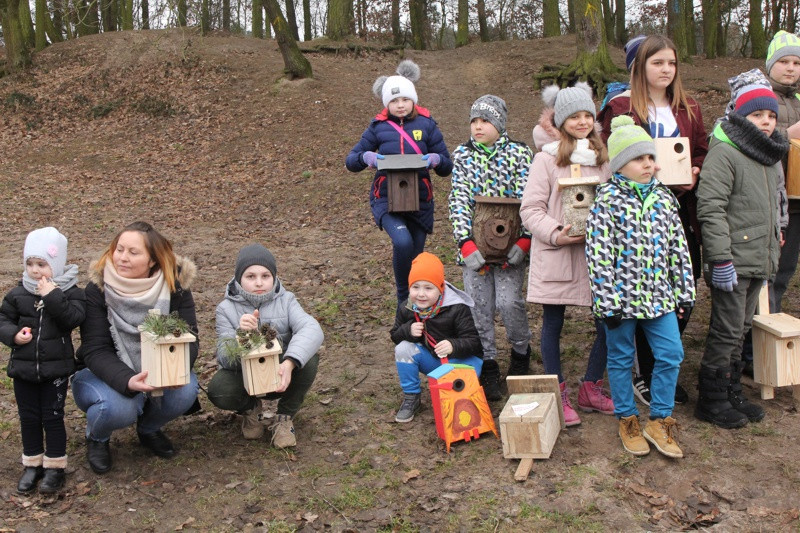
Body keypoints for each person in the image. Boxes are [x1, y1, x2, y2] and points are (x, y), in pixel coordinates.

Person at [597, 34, 708, 407]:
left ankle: (661, 359)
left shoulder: (688, 106)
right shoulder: (623, 106)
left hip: (676, 208)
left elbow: (703, 150)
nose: (666, 70)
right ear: (640, 67)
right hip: (630, 212)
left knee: (680, 284)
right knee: (635, 292)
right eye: (657, 62)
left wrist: (693, 168)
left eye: (671, 63)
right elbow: (608, 152)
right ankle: (644, 373)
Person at [587, 115, 696, 458]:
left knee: (671, 354)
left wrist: (684, 292)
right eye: (639, 158)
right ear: (620, 164)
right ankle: (628, 419)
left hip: (660, 298)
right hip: (621, 302)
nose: (648, 164)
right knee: (620, 358)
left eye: (650, 158)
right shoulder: (606, 201)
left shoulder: (664, 199)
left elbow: (678, 249)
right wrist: (608, 303)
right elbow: (599, 255)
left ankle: (660, 419)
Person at [695, 84, 789, 429]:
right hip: (732, 258)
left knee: (743, 328)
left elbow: (776, 201)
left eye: (770, 116)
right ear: (740, 116)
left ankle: (732, 390)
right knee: (727, 329)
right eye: (757, 114)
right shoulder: (726, 152)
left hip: (759, 256)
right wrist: (720, 258)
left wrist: (777, 231)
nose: (765, 122)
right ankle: (712, 398)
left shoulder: (769, 154)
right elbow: (711, 207)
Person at [520, 83, 614, 427]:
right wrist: (557, 234)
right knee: (553, 323)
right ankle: (557, 390)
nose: (583, 121)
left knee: (607, 320)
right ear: (560, 121)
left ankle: (591, 387)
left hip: (595, 258)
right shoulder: (545, 160)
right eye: (574, 116)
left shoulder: (602, 161)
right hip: (557, 255)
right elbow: (530, 209)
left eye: (588, 115)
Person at [72, 221, 199, 474]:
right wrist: (129, 381)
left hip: (158, 370)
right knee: (118, 407)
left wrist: (175, 369)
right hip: (101, 374)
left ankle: (148, 428)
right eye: (119, 249)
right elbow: (95, 350)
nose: (122, 258)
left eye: (133, 252)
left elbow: (190, 337)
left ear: (152, 260)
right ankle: (97, 438)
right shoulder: (97, 290)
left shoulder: (175, 286)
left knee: (187, 389)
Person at [346, 60, 453, 304]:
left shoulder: (427, 124)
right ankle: (403, 299)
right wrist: (366, 157)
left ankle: (416, 312)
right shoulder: (377, 127)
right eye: (393, 101)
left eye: (404, 99)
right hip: (385, 198)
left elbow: (447, 166)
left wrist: (436, 159)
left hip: (420, 201)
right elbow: (350, 160)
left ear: (413, 99)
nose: (400, 105)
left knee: (416, 258)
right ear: (386, 103)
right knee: (402, 242)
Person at [448, 95, 533, 400]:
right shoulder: (463, 155)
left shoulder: (520, 154)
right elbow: (458, 201)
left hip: (511, 250)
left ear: (499, 123)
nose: (478, 126)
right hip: (476, 251)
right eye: (474, 120)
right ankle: (488, 363)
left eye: (485, 120)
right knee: (479, 307)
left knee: (509, 303)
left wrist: (525, 240)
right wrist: (465, 242)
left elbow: (531, 198)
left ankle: (521, 351)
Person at [207, 244, 323, 448]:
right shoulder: (225, 309)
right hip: (246, 376)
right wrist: (240, 336)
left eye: (265, 275)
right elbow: (224, 357)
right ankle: (251, 410)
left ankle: (285, 417)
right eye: (250, 276)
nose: (259, 282)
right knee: (219, 390)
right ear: (238, 278)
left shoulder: (286, 300)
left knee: (308, 357)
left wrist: (289, 363)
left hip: (280, 374)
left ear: (274, 277)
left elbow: (311, 328)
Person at [0, 228, 85, 494]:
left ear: (56, 265)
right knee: (28, 417)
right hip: (23, 368)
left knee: (52, 416)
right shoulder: (18, 294)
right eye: (30, 264)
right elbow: (3, 319)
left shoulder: (70, 292)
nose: (35, 271)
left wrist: (52, 296)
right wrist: (14, 335)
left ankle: (55, 466)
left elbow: (73, 319)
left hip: (55, 370)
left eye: (42, 264)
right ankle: (32, 463)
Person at [390, 252, 483, 423]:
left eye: (428, 288)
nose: (421, 294)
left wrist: (453, 345)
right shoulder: (407, 307)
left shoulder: (457, 308)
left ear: (440, 288)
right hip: (434, 361)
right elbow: (395, 335)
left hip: (461, 362)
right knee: (403, 348)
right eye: (415, 287)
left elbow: (475, 343)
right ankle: (412, 396)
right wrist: (407, 331)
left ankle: (463, 394)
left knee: (456, 403)